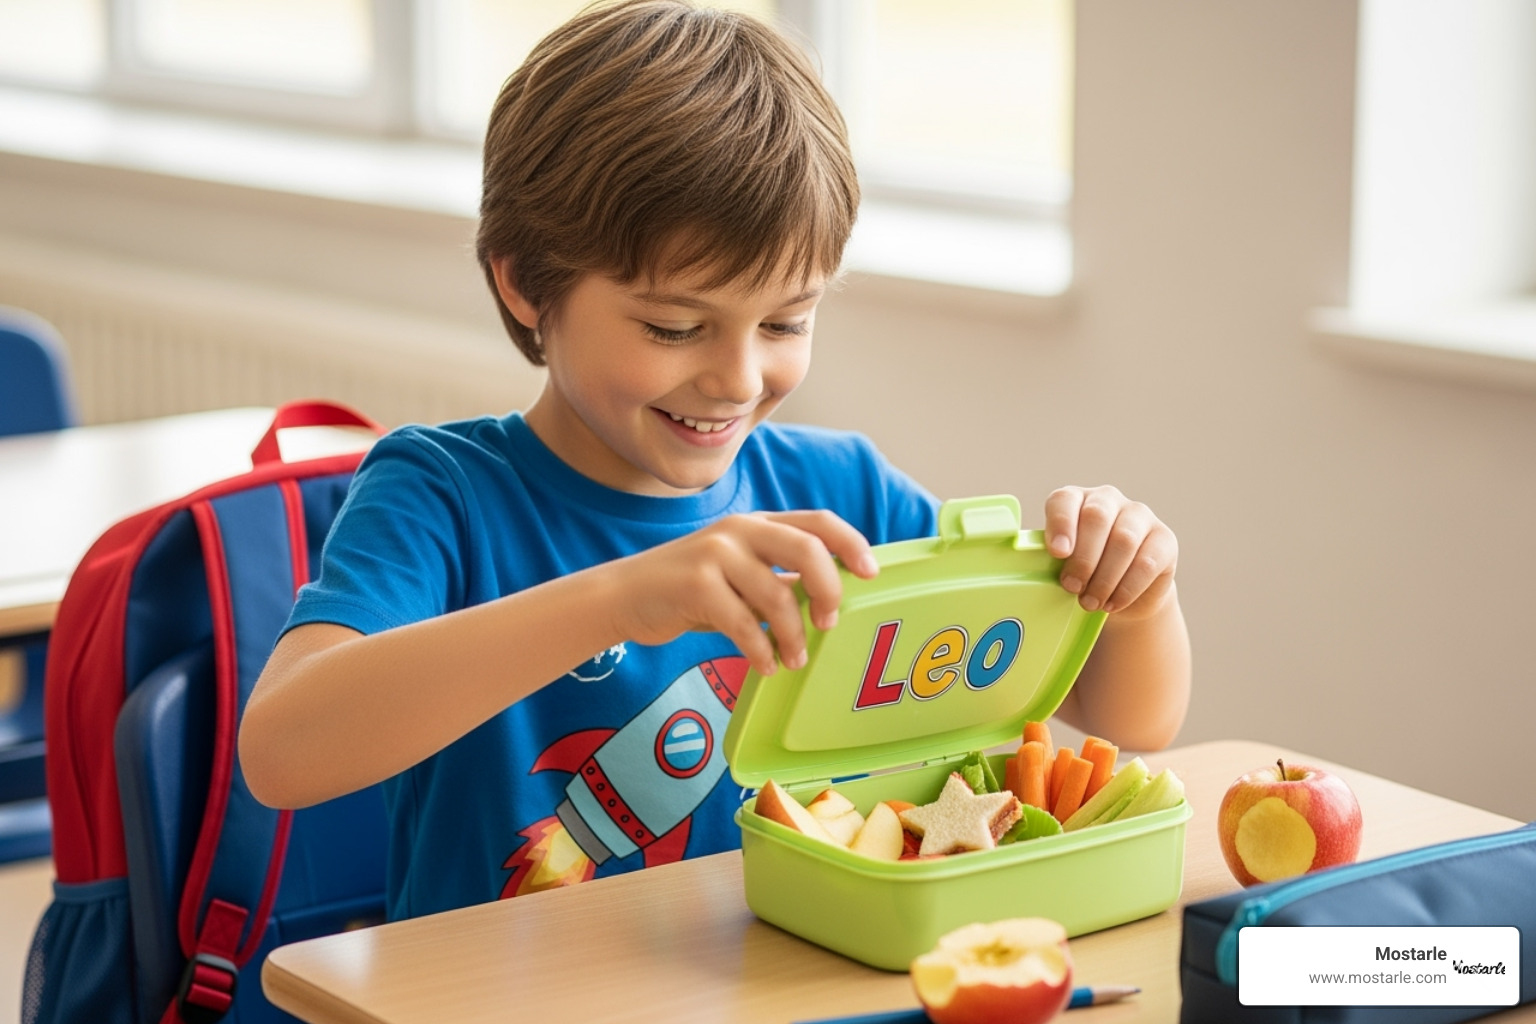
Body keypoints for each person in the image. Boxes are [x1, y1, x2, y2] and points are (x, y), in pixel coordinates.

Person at [238, 0, 1190, 922]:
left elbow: (1130, 718)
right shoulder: (439, 495)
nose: (737, 377)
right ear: (527, 283)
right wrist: (623, 596)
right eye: (674, 325)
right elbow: (283, 750)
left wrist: (1137, 597)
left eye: (786, 322)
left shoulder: (842, 492)